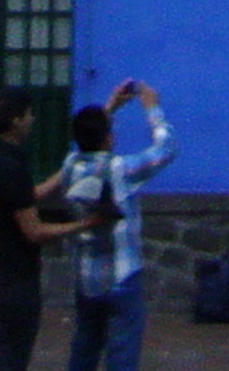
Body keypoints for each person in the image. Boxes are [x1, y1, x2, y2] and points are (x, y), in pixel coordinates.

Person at [0, 91, 104, 371]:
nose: (32, 120)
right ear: (16, 120)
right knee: (12, 353)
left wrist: (65, 172)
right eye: (29, 114)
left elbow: (23, 197)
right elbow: (34, 231)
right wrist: (86, 224)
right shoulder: (11, 167)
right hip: (16, 277)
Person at [58, 80, 175, 371]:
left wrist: (110, 107)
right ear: (108, 139)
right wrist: (153, 108)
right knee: (122, 353)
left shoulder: (70, 166)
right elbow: (166, 149)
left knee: (84, 348)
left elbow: (88, 138)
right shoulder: (120, 169)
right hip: (122, 275)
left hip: (87, 276)